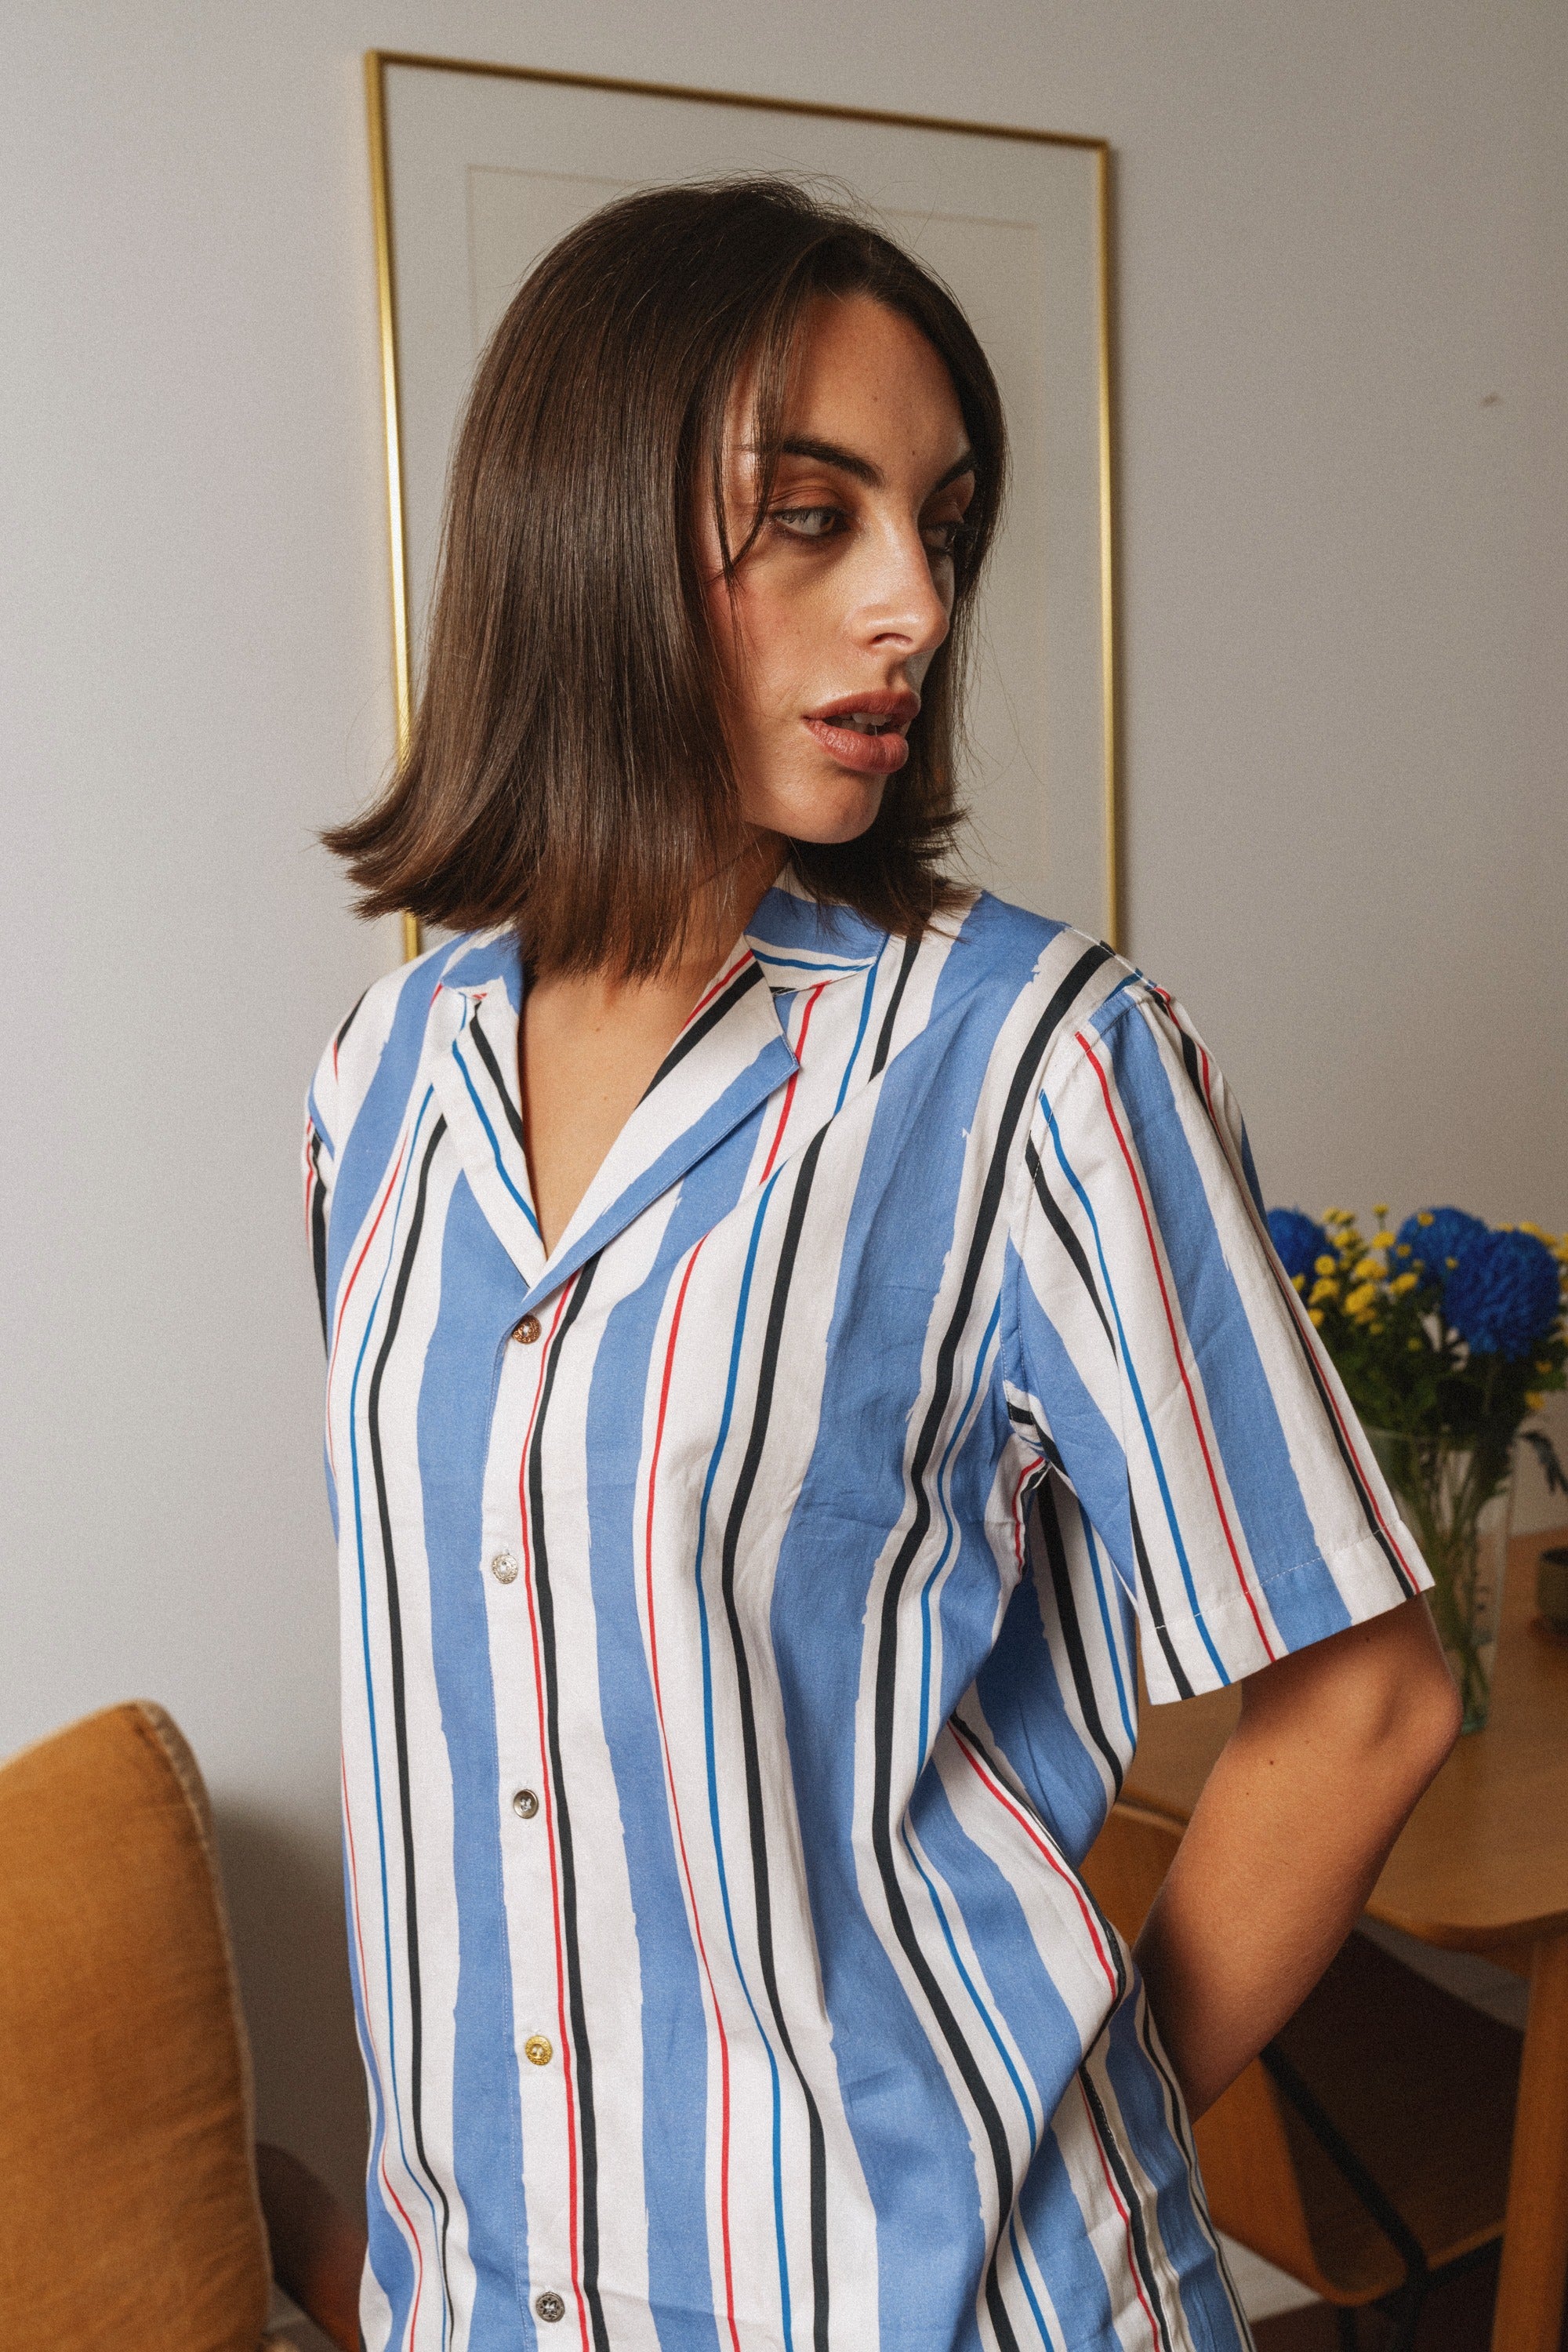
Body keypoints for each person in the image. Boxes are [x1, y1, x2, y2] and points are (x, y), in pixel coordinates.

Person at [307, 179, 1459, 2352]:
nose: (916, 604)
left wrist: (1045, 2146)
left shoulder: (1037, 1061)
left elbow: (1371, 1702)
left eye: (940, 525)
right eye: (811, 519)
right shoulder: (382, 1083)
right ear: (579, 528)